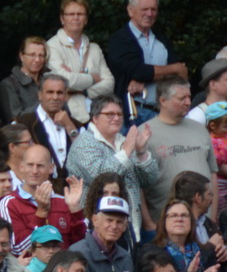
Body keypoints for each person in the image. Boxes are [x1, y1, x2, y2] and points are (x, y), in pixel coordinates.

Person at [66, 97, 158, 238]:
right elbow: (100, 177)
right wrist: (127, 151)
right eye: (109, 114)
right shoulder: (84, 143)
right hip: (98, 230)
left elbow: (149, 180)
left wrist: (140, 152)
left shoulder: (123, 141)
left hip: (130, 227)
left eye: (119, 114)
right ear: (95, 118)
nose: (116, 118)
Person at [103, 0, 188, 119]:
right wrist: (172, 69)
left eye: (153, 9)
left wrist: (148, 77)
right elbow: (138, 71)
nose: (149, 14)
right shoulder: (120, 39)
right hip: (133, 113)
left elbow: (181, 75)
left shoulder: (162, 41)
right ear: (130, 10)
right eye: (145, 9)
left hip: (163, 113)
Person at [142, 77, 214, 214]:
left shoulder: (200, 129)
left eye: (189, 97)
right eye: (182, 98)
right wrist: (148, 223)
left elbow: (212, 174)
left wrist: (213, 216)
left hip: (204, 221)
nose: (188, 102)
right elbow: (137, 184)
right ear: (163, 101)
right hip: (164, 222)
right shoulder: (145, 132)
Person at [0, 142, 84, 253]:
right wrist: (41, 213)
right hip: (30, 270)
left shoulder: (64, 202)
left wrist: (75, 209)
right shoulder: (9, 203)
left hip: (63, 268)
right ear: (21, 167)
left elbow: (81, 246)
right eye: (30, 165)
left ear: (51, 168)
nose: (34, 171)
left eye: (40, 166)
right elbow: (17, 249)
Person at [44, 0, 111, 122]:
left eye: (80, 14)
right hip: (69, 116)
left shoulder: (95, 48)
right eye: (71, 14)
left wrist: (83, 91)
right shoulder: (52, 46)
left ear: (86, 19)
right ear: (62, 19)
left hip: (98, 116)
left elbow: (109, 83)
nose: (76, 18)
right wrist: (92, 78)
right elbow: (64, 81)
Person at [13, 73, 82, 178]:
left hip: (72, 189)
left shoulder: (75, 124)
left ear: (65, 96)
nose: (55, 97)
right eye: (50, 92)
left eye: (59, 93)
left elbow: (85, 154)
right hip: (36, 188)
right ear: (40, 95)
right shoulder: (22, 123)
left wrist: (69, 125)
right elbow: (13, 158)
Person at [76, 194, 134, 272]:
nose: (114, 226)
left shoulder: (125, 257)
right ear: (95, 220)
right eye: (109, 220)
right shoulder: (79, 253)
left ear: (125, 226)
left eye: (119, 222)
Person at [0, 37, 47, 125]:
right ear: (21, 56)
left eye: (41, 55)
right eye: (32, 55)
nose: (37, 60)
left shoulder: (49, 81)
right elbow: (15, 119)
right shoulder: (9, 84)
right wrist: (44, 103)